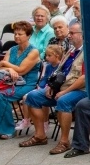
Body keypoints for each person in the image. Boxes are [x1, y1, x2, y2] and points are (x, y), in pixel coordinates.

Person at [19, 23, 85, 154]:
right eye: (70, 33)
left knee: (63, 101)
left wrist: (64, 91)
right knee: (33, 97)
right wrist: (51, 86)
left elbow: (84, 79)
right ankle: (40, 135)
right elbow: (58, 70)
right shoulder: (71, 50)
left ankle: (64, 141)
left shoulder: (88, 53)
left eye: (72, 33)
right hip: (61, 86)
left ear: (82, 35)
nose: (69, 36)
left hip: (79, 90)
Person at [0, 21, 41, 139]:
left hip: (26, 83)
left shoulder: (33, 51)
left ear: (28, 35)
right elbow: (0, 68)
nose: (16, 36)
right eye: (15, 34)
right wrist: (10, 70)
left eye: (20, 34)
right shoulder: (12, 49)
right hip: (7, 81)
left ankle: (7, 129)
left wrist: (6, 64)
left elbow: (22, 70)